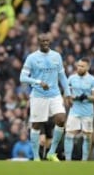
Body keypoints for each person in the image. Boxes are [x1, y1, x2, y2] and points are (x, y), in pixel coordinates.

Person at [20, 33, 71, 161]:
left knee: (61, 119)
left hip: (54, 94)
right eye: (43, 41)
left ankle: (51, 152)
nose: (45, 43)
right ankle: (36, 156)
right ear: (38, 42)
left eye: (47, 41)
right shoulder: (32, 58)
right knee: (36, 125)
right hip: (38, 96)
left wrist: (68, 91)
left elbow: (62, 76)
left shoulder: (56, 56)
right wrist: (38, 82)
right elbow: (23, 77)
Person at [64, 58, 94, 161]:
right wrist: (69, 99)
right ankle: (67, 160)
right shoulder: (71, 78)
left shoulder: (92, 80)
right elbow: (66, 94)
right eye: (78, 66)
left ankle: (84, 160)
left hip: (87, 112)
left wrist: (85, 97)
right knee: (69, 134)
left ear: (87, 67)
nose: (79, 68)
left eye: (82, 66)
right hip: (74, 110)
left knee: (87, 136)